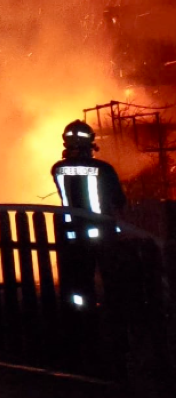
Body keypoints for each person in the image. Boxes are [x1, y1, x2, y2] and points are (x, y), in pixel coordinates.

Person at [51, 120, 126, 309]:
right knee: (112, 278)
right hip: (102, 234)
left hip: (72, 235)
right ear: (90, 141)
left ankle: (82, 313)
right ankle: (115, 313)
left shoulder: (58, 169)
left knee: (80, 280)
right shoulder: (104, 169)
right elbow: (118, 200)